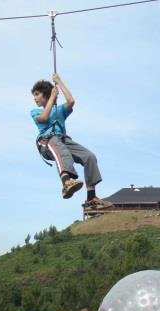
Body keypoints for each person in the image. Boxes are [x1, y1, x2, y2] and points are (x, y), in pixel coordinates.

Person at [30, 74, 113, 210]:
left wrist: (59, 82)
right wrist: (52, 97)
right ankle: (66, 181)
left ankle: (91, 198)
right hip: (47, 141)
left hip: (63, 139)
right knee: (61, 150)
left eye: (37, 94)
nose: (35, 98)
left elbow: (71, 101)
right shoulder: (35, 111)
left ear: (45, 94)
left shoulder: (59, 110)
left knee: (89, 157)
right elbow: (44, 117)